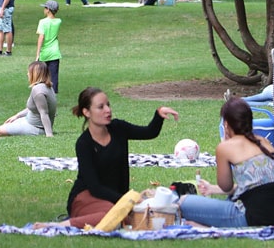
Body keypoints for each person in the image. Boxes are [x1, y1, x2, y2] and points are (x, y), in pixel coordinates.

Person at [35, 87, 178, 229]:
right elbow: (95, 187)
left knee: (131, 217)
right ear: (86, 112)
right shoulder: (84, 143)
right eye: (100, 107)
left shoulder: (118, 128)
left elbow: (149, 132)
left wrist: (159, 114)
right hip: (85, 196)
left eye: (108, 105)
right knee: (114, 215)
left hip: (112, 199)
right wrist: (126, 200)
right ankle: (56, 226)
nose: (108, 110)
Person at [177, 98, 274, 228]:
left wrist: (225, 141)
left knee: (184, 202)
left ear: (226, 124)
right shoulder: (264, 142)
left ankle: (208, 226)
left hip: (256, 217)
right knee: (230, 200)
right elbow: (257, 186)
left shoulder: (225, 147)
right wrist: (212, 189)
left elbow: (226, 186)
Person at [0, 61, 58, 139]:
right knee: (9, 123)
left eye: (29, 72)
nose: (27, 74)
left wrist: (49, 134)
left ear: (35, 74)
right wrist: (17, 116)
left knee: (1, 129)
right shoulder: (47, 87)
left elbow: (44, 113)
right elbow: (34, 108)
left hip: (36, 128)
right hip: (28, 121)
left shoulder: (38, 90)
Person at [36, 0, 63, 93]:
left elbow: (41, 37)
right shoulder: (58, 21)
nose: (44, 9)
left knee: (42, 76)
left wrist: (37, 54)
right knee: (54, 76)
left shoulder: (42, 22)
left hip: (45, 53)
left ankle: (42, 93)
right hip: (55, 53)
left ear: (48, 10)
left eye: (45, 8)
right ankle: (53, 95)